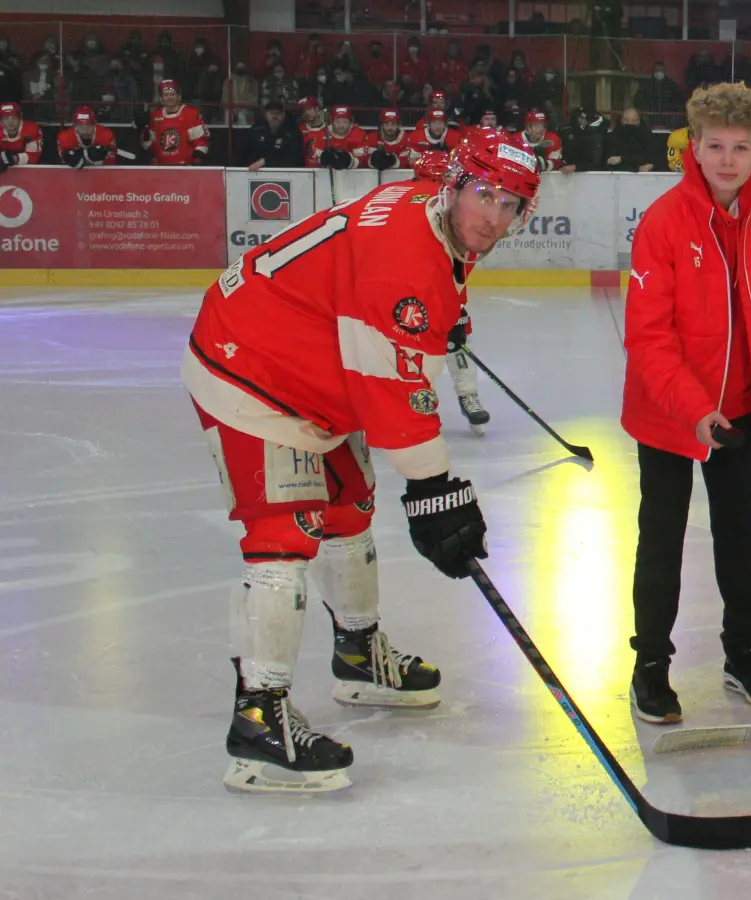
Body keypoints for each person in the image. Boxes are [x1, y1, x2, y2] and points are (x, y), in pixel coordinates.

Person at [183, 130, 539, 794]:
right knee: (283, 537)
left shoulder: (431, 210)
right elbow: (396, 404)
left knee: (348, 506)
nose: (494, 216)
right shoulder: (406, 258)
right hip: (252, 369)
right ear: (458, 184)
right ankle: (259, 719)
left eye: (511, 204)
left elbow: (393, 324)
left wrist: (445, 312)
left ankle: (357, 654)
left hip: (316, 368)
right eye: (486, 195)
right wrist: (439, 493)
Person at [622, 83, 751, 724]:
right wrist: (693, 407)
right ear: (692, 148)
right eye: (715, 146)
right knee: (662, 538)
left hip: (745, 410)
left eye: (742, 147)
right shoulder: (664, 222)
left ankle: (743, 652)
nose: (728, 160)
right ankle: (650, 664)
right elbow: (648, 334)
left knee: (741, 536)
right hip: (668, 412)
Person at [141, 79, 209, 166]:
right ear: (161, 98)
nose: (169, 98)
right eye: (166, 95)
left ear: (178, 96)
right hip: (160, 167)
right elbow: (149, 144)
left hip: (185, 168)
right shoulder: (155, 116)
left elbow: (201, 140)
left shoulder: (191, 114)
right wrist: (143, 130)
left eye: (172, 94)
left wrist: (197, 158)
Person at [236, 100, 302, 171]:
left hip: (284, 175)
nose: (275, 116)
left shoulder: (292, 133)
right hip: (254, 174)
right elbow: (242, 154)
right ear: (266, 114)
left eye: (278, 113)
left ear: (283, 114)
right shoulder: (255, 130)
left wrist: (266, 161)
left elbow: (293, 159)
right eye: (271, 113)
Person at [0, 102, 43, 171]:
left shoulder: (32, 129)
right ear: (1, 121)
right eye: (6, 118)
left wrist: (13, 159)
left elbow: (33, 158)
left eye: (13, 117)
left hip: (29, 172)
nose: (10, 121)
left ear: (20, 117)